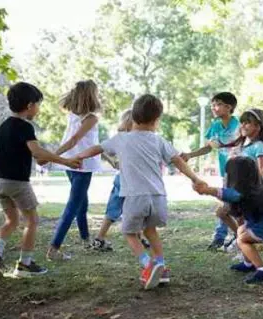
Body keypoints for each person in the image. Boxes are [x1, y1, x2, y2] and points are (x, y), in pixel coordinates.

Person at [77, 94, 206, 289]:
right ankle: (161, 266)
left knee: (129, 232)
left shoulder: (121, 139)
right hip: (158, 197)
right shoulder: (159, 140)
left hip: (135, 196)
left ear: (133, 118)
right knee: (150, 230)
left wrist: (79, 156)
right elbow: (178, 160)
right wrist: (195, 179)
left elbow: (97, 148)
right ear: (156, 121)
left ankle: (148, 265)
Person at [0, 82, 81, 278]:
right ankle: (25, 264)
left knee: (11, 220)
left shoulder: (3, 126)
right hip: (17, 183)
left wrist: (45, 158)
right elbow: (36, 152)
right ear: (29, 106)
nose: (38, 108)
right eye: (38, 104)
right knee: (32, 220)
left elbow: (28, 153)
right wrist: (65, 161)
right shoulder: (25, 127)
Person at [194, 156, 263, 284]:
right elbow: (240, 226)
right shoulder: (255, 190)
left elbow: (230, 194)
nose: (225, 177)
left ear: (236, 176)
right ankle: (249, 264)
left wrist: (207, 190)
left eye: (227, 173)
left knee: (242, 240)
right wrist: (225, 217)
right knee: (242, 233)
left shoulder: (245, 193)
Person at [44, 80, 103, 261]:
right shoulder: (91, 118)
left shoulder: (73, 115)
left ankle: (86, 240)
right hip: (81, 164)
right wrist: (51, 155)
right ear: (91, 95)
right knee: (73, 206)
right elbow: (74, 141)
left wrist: (56, 156)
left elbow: (91, 142)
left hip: (70, 163)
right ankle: (54, 248)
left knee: (81, 204)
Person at [181, 92, 240, 251]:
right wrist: (189, 155)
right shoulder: (215, 126)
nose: (214, 107)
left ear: (229, 107)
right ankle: (231, 236)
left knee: (229, 205)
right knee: (226, 204)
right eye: (213, 104)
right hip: (226, 173)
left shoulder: (239, 125)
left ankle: (223, 237)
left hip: (241, 172)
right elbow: (209, 147)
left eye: (217, 104)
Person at [215, 108, 263, 254]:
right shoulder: (242, 145)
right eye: (242, 122)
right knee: (223, 213)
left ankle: (245, 246)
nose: (242, 125)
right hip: (235, 188)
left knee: (238, 218)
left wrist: (259, 190)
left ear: (258, 127)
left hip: (248, 191)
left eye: (247, 123)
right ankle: (242, 240)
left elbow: (262, 169)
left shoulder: (259, 146)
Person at [91, 110, 150, 252]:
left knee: (113, 209)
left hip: (122, 177)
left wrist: (113, 161)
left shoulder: (120, 138)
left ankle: (100, 238)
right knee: (135, 208)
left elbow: (102, 149)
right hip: (131, 180)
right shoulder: (140, 139)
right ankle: (138, 237)